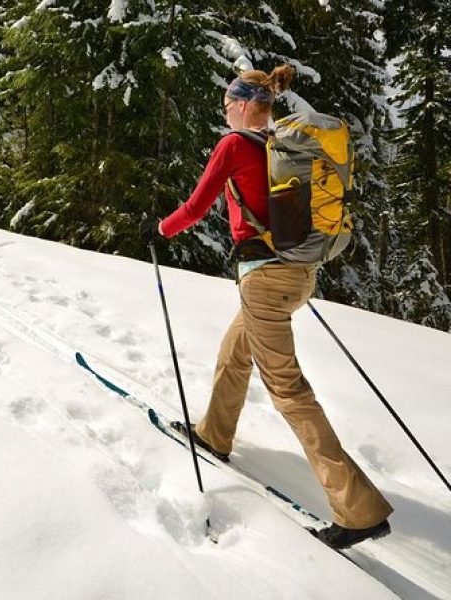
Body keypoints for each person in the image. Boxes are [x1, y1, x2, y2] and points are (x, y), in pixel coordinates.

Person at [139, 65, 393, 549]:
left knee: (289, 391)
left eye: (226, 103)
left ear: (241, 102)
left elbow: (195, 208)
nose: (224, 111)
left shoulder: (235, 145)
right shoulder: (284, 145)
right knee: (236, 350)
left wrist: (159, 230)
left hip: (266, 281)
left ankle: (358, 511)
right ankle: (214, 433)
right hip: (298, 274)